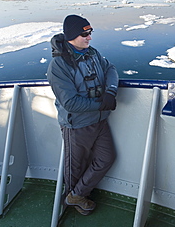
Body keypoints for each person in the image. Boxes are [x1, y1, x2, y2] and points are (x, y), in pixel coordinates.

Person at [47, 14, 118, 215]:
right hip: (76, 126)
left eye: (90, 32)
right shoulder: (58, 66)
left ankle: (76, 195)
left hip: (100, 121)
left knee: (106, 158)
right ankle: (71, 203)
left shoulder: (92, 53)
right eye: (84, 34)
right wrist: (101, 104)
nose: (89, 37)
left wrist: (110, 92)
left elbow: (110, 68)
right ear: (71, 36)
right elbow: (70, 103)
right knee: (74, 170)